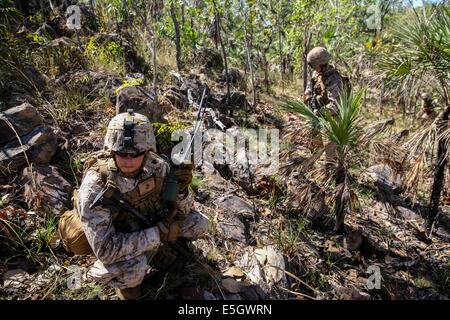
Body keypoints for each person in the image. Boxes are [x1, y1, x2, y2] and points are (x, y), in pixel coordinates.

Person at [58, 110, 210, 300]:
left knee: (200, 223)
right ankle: (127, 290)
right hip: (116, 241)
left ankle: (164, 254)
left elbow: (183, 211)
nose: (128, 160)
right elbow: (106, 250)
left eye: (135, 154)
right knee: (133, 269)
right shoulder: (95, 188)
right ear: (112, 151)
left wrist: (181, 192)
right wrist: (157, 234)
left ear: (147, 151)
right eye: (121, 154)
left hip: (148, 225)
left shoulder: (156, 167)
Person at [303, 46, 346, 169]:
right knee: (315, 143)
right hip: (317, 115)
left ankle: (330, 173)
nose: (313, 69)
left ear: (323, 64)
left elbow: (335, 105)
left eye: (314, 66)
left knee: (330, 148)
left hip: (331, 118)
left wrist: (320, 112)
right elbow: (309, 89)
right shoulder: (317, 74)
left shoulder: (334, 79)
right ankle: (312, 168)